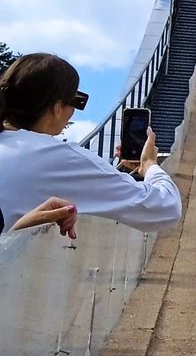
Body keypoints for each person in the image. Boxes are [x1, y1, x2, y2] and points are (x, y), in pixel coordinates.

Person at [0, 53, 182, 237]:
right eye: (76, 101)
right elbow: (165, 207)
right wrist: (149, 165)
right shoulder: (59, 157)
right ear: (56, 107)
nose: (73, 112)